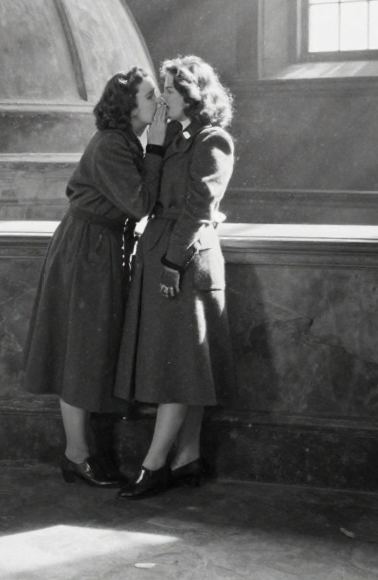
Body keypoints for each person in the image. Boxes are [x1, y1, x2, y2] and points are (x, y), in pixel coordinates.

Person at [22, 67, 170, 487]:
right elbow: (140, 203)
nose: (158, 102)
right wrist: (158, 147)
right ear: (128, 107)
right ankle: (76, 455)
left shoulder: (125, 141)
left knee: (88, 348)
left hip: (100, 246)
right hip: (88, 249)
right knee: (80, 351)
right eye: (150, 96)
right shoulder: (111, 144)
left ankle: (80, 453)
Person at [114, 55, 235, 500]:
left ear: (191, 92)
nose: (163, 97)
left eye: (168, 88)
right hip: (164, 253)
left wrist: (171, 261)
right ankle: (187, 459)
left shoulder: (212, 139)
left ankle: (154, 465)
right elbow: (150, 200)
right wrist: (157, 146)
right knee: (184, 365)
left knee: (181, 367)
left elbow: (200, 209)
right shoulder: (179, 137)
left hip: (183, 260)